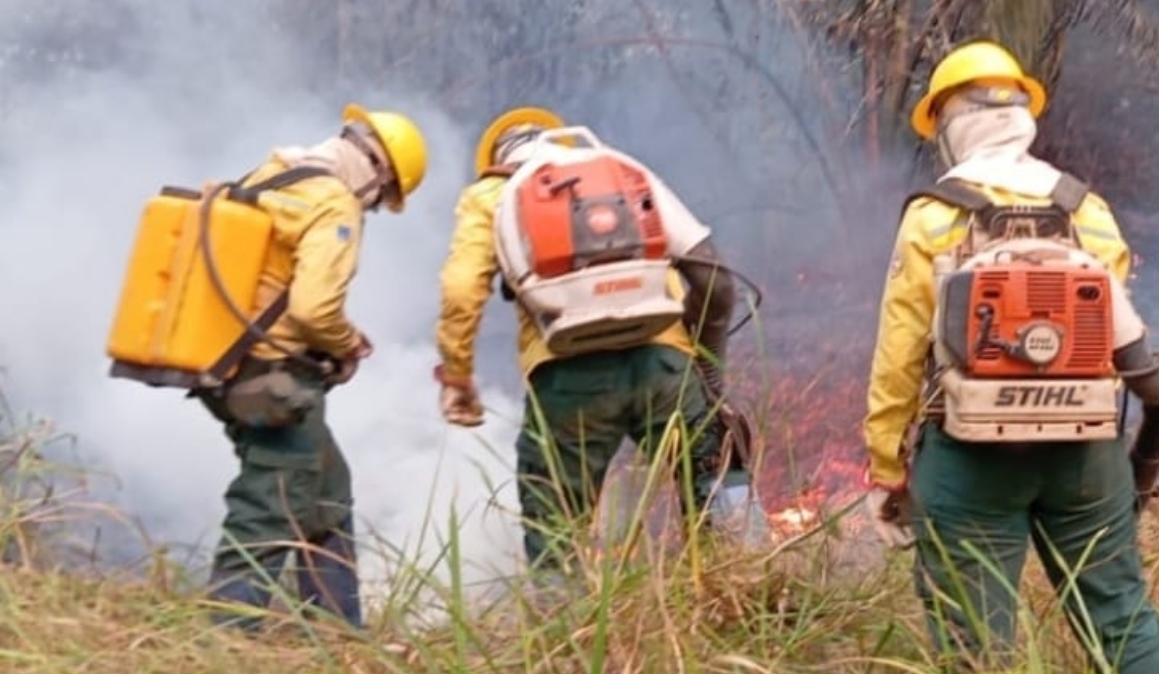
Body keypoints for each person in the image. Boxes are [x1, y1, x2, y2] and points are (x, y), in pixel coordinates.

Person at [860, 40, 1159, 674]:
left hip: (970, 455)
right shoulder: (1087, 208)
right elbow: (1119, 332)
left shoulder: (933, 216)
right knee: (1119, 605)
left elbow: (899, 351)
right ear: (1021, 116)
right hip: (1086, 454)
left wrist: (887, 465)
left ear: (949, 123)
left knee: (970, 631)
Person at [433, 106, 760, 577]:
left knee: (554, 523)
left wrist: (458, 377)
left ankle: (568, 638)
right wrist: (706, 372)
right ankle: (753, 597)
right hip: (665, 365)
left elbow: (462, 290)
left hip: (567, 375)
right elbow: (715, 281)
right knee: (720, 483)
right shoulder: (620, 170)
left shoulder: (490, 194)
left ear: (496, 157)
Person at [200, 104, 429, 631]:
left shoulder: (272, 175)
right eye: (380, 200)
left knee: (326, 487)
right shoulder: (333, 203)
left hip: (226, 361)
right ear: (380, 173)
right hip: (273, 373)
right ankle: (227, 635)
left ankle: (336, 631)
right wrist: (347, 344)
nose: (371, 208)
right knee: (273, 496)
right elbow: (312, 309)